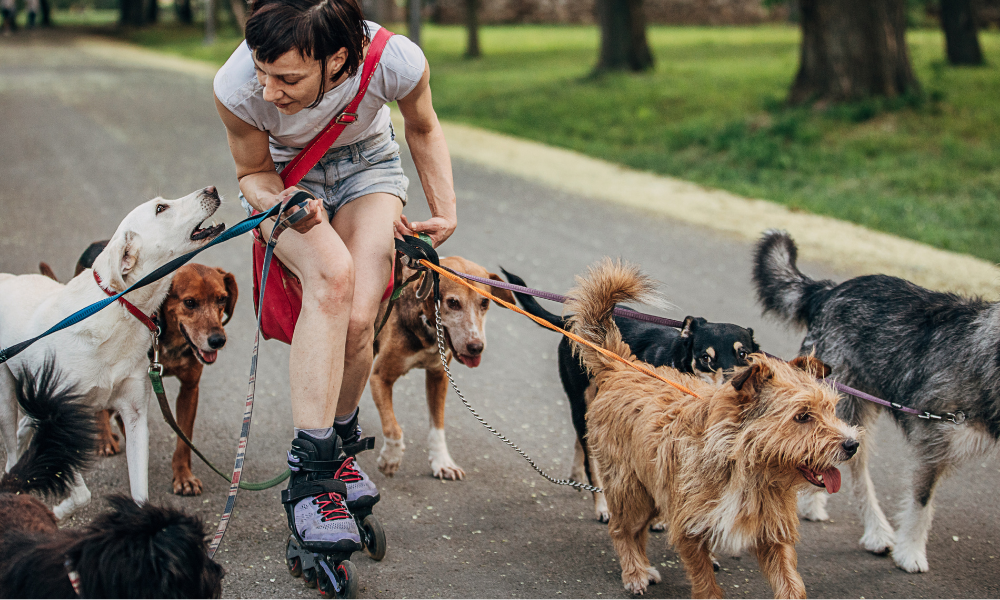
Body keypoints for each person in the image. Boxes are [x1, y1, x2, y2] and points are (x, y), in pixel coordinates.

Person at [213, 0, 456, 556]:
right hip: (285, 177)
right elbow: (251, 172)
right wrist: (283, 201)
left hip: (369, 166)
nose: (270, 91)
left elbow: (422, 125)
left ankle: (340, 449)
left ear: (338, 59)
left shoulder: (395, 60)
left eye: (287, 78)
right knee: (333, 278)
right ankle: (311, 476)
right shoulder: (236, 89)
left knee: (361, 318)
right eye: (262, 72)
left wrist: (445, 208)